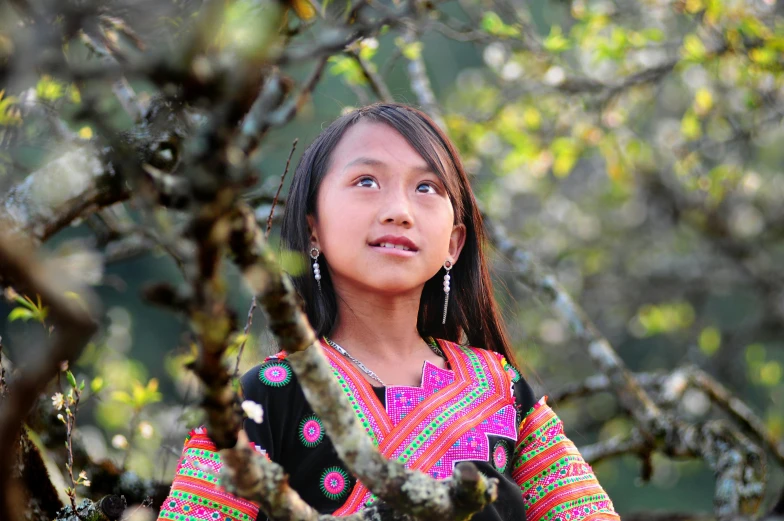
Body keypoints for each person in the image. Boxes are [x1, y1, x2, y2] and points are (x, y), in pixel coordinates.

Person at [156, 103, 620, 521]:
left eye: (426, 187)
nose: (399, 210)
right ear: (312, 230)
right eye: (366, 182)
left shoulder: (499, 389)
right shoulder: (265, 398)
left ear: (454, 245)